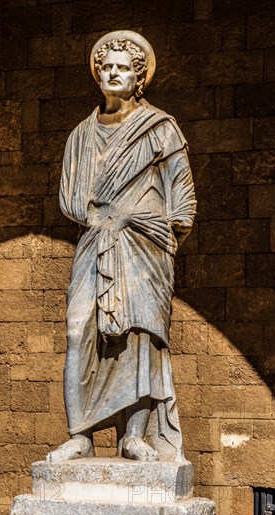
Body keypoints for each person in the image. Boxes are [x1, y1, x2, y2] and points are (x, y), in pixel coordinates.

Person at [46, 31, 196, 463]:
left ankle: (135, 436)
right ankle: (80, 435)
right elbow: (71, 198)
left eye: (123, 67)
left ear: (138, 78)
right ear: (98, 74)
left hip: (145, 248)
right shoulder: (81, 134)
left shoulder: (159, 128)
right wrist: (103, 217)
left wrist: (160, 233)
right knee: (80, 331)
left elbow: (181, 195)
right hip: (95, 243)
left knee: (138, 335)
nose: (113, 73)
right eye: (106, 66)